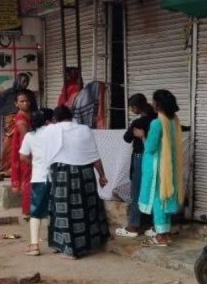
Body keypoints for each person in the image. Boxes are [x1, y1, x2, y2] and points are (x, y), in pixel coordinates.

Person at [43, 106, 110, 259]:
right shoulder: (84, 129)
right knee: (88, 207)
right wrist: (102, 175)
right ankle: (90, 243)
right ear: (71, 116)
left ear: (54, 119)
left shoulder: (50, 130)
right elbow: (94, 154)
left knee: (63, 210)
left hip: (62, 174)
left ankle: (67, 247)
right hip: (85, 173)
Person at [138, 89, 185, 247]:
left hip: (158, 166)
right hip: (169, 165)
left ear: (158, 104)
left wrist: (142, 136)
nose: (151, 103)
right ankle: (165, 232)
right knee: (166, 197)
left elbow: (150, 148)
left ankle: (161, 236)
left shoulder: (157, 123)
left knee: (158, 199)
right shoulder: (174, 120)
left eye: (153, 101)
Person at [115, 94, 156, 238]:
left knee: (136, 192)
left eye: (131, 107)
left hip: (141, 158)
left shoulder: (138, 123)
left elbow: (126, 138)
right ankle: (155, 225)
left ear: (136, 107)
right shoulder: (157, 120)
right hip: (156, 159)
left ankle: (133, 226)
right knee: (153, 190)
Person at [18, 107, 54, 256]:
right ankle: (57, 242)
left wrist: (35, 161)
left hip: (39, 176)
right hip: (57, 176)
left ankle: (34, 245)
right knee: (56, 210)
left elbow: (23, 156)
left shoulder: (29, 136)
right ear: (49, 120)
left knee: (36, 211)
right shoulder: (54, 131)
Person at [0, 73, 36, 181]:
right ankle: (4, 170)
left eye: (27, 81)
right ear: (17, 80)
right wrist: (8, 112)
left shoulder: (29, 94)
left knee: (24, 144)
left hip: (26, 120)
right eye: (23, 81)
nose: (25, 83)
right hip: (11, 122)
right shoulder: (8, 93)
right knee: (8, 146)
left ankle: (21, 170)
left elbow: (34, 108)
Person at [11, 91, 33, 216]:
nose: (25, 103)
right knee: (27, 179)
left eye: (27, 101)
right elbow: (26, 135)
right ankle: (27, 210)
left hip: (28, 149)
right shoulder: (20, 117)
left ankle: (30, 208)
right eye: (22, 101)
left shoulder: (27, 114)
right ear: (16, 104)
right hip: (26, 150)